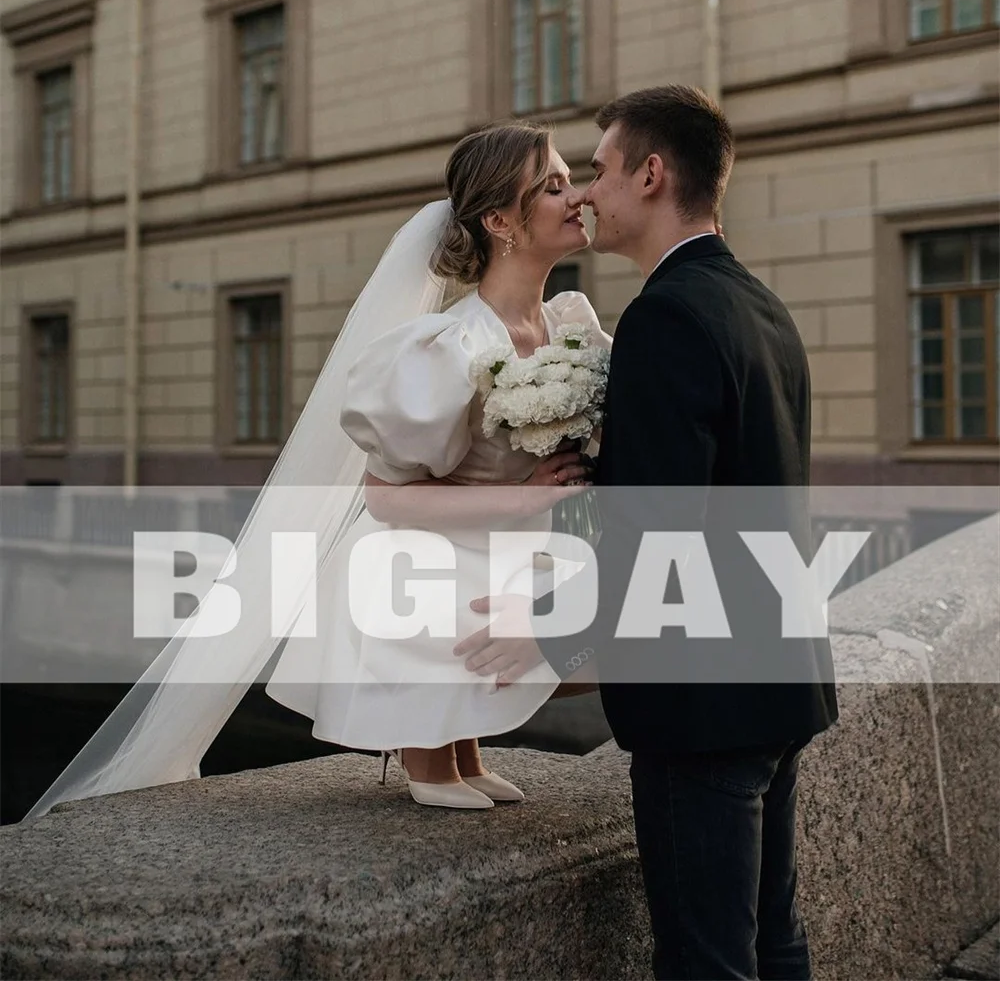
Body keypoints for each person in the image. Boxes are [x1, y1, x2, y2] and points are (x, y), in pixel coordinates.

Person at [25, 122, 609, 819]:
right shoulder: (449, 348)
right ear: (500, 221)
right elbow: (386, 499)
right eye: (553, 186)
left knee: (597, 648)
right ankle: (430, 750)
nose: (577, 197)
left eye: (572, 181)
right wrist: (521, 502)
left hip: (518, 552)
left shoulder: (567, 324)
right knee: (468, 612)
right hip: (432, 556)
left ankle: (464, 749)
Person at [455, 86, 839, 978]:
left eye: (598, 170)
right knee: (773, 942)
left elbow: (659, 527)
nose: (586, 193)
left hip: (701, 701)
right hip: (778, 673)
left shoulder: (667, 317)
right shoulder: (759, 304)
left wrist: (544, 628)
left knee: (706, 961)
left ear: (653, 174)